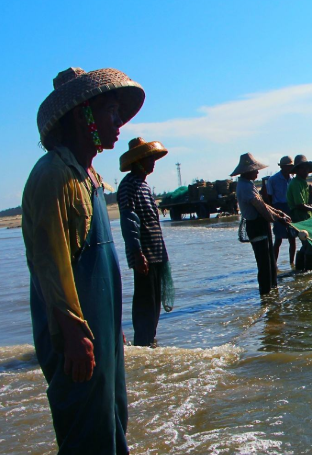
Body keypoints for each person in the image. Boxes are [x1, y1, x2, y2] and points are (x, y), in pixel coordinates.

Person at [23, 67, 145, 454]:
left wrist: (110, 327)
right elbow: (49, 265)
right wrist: (74, 334)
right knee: (85, 429)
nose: (118, 125)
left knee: (111, 415)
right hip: (74, 333)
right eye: (111, 111)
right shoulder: (54, 176)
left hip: (99, 326)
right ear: (82, 114)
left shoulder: (89, 176)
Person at [117, 137, 173, 347]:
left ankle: (150, 342)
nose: (153, 163)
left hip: (157, 253)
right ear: (139, 161)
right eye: (149, 159)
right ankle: (142, 343)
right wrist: (137, 253)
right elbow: (129, 221)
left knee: (154, 302)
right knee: (145, 303)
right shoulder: (128, 185)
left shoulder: (145, 186)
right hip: (144, 256)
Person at [233, 153, 291, 295]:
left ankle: (272, 292)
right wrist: (278, 218)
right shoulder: (245, 187)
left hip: (261, 226)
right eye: (255, 170)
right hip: (256, 227)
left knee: (270, 261)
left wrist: (278, 212)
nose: (257, 172)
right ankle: (266, 295)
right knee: (264, 264)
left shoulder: (248, 184)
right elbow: (261, 208)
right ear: (248, 171)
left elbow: (263, 204)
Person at [286, 155, 312, 271]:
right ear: (297, 170)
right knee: (310, 245)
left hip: (307, 219)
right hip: (300, 219)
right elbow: (299, 205)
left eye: (307, 168)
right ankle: (308, 272)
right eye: (302, 169)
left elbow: (309, 202)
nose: (305, 171)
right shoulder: (295, 183)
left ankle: (300, 270)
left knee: (307, 245)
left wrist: (311, 192)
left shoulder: (303, 183)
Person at [266, 156, 297, 270]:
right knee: (278, 238)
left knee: (292, 238)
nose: (289, 168)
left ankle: (291, 263)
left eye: (291, 166)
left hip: (290, 208)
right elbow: (269, 197)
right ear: (282, 166)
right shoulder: (273, 179)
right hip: (278, 208)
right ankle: (274, 264)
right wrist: (274, 213)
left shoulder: (292, 179)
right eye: (288, 166)